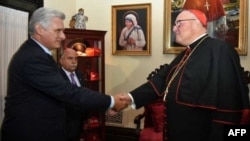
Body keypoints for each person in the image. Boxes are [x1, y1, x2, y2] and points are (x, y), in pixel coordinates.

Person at [119, 9, 250, 141]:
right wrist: (129, 98)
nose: (174, 29)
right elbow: (161, 80)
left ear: (197, 23)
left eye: (178, 23)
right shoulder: (186, 53)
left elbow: (231, 102)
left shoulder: (221, 50)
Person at [0, 7, 128, 141]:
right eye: (58, 31)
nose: (63, 36)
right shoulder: (33, 57)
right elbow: (67, 91)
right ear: (39, 29)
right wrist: (111, 101)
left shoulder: (39, 54)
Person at [59, 48, 87, 141]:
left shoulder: (80, 75)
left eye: (76, 58)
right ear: (61, 61)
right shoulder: (56, 77)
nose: (74, 62)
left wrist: (86, 118)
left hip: (79, 122)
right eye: (70, 58)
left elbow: (84, 96)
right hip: (63, 124)